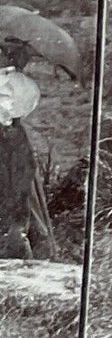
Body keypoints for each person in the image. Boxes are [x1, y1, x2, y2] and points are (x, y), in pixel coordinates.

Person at [0, 38, 56, 260]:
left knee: (15, 196)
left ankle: (19, 248)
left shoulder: (12, 83)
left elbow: (8, 114)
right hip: (13, 140)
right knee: (20, 196)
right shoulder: (17, 82)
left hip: (9, 142)